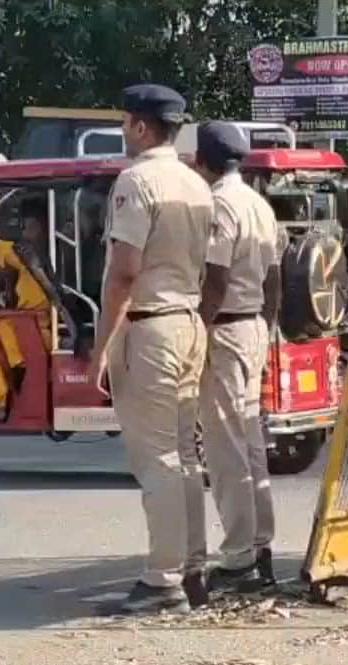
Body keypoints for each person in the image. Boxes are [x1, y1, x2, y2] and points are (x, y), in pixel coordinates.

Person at [88, 84, 213, 614]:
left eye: (126, 122)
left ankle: (163, 581)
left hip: (151, 326)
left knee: (157, 457)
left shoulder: (136, 182)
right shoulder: (195, 183)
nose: (123, 131)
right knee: (183, 455)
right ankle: (192, 568)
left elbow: (123, 273)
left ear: (141, 127)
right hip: (188, 321)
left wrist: (100, 348)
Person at [192, 121, 283, 593]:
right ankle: (261, 546)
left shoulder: (220, 205)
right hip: (251, 327)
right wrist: (264, 329)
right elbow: (273, 279)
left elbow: (215, 279)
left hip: (224, 330)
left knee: (225, 449)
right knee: (250, 443)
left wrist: (196, 330)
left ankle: (238, 557)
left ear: (201, 161)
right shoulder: (258, 205)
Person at [0, 175, 75, 422]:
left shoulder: (55, 251)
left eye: (32, 226)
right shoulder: (25, 253)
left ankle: (1, 402)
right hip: (30, 326)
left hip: (38, 329)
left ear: (47, 225)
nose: (27, 232)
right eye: (25, 227)